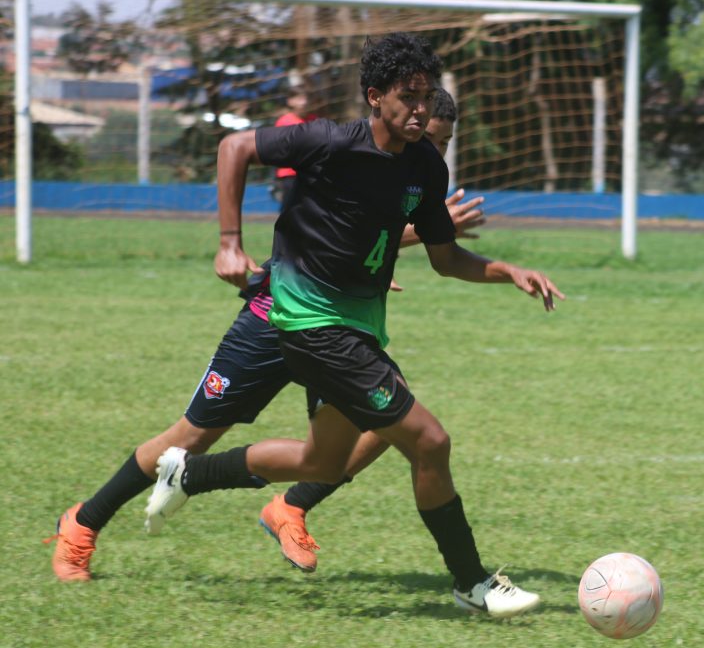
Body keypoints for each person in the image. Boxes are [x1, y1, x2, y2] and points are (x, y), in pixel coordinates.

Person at [145, 32, 563, 618]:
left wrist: (508, 271)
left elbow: (446, 259)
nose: (419, 109)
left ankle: (189, 473)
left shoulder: (426, 167)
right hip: (311, 322)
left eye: (426, 96)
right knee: (430, 441)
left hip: (356, 325)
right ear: (375, 97)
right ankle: (472, 583)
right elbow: (235, 146)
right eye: (408, 97)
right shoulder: (331, 141)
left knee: (322, 463)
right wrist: (229, 243)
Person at [46, 87, 485, 582]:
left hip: (333, 328)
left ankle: (290, 508)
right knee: (191, 437)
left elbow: (369, 235)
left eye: (444, 143)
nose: (434, 150)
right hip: (275, 315)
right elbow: (326, 222)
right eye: (430, 138)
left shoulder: (415, 170)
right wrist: (232, 245)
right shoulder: (349, 150)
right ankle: (82, 524)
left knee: (391, 420)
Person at [270, 86, 317, 210]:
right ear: (290, 101)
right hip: (290, 175)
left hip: (311, 173)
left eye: (306, 98)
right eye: (300, 98)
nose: (304, 102)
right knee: (290, 211)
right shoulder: (284, 122)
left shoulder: (314, 120)